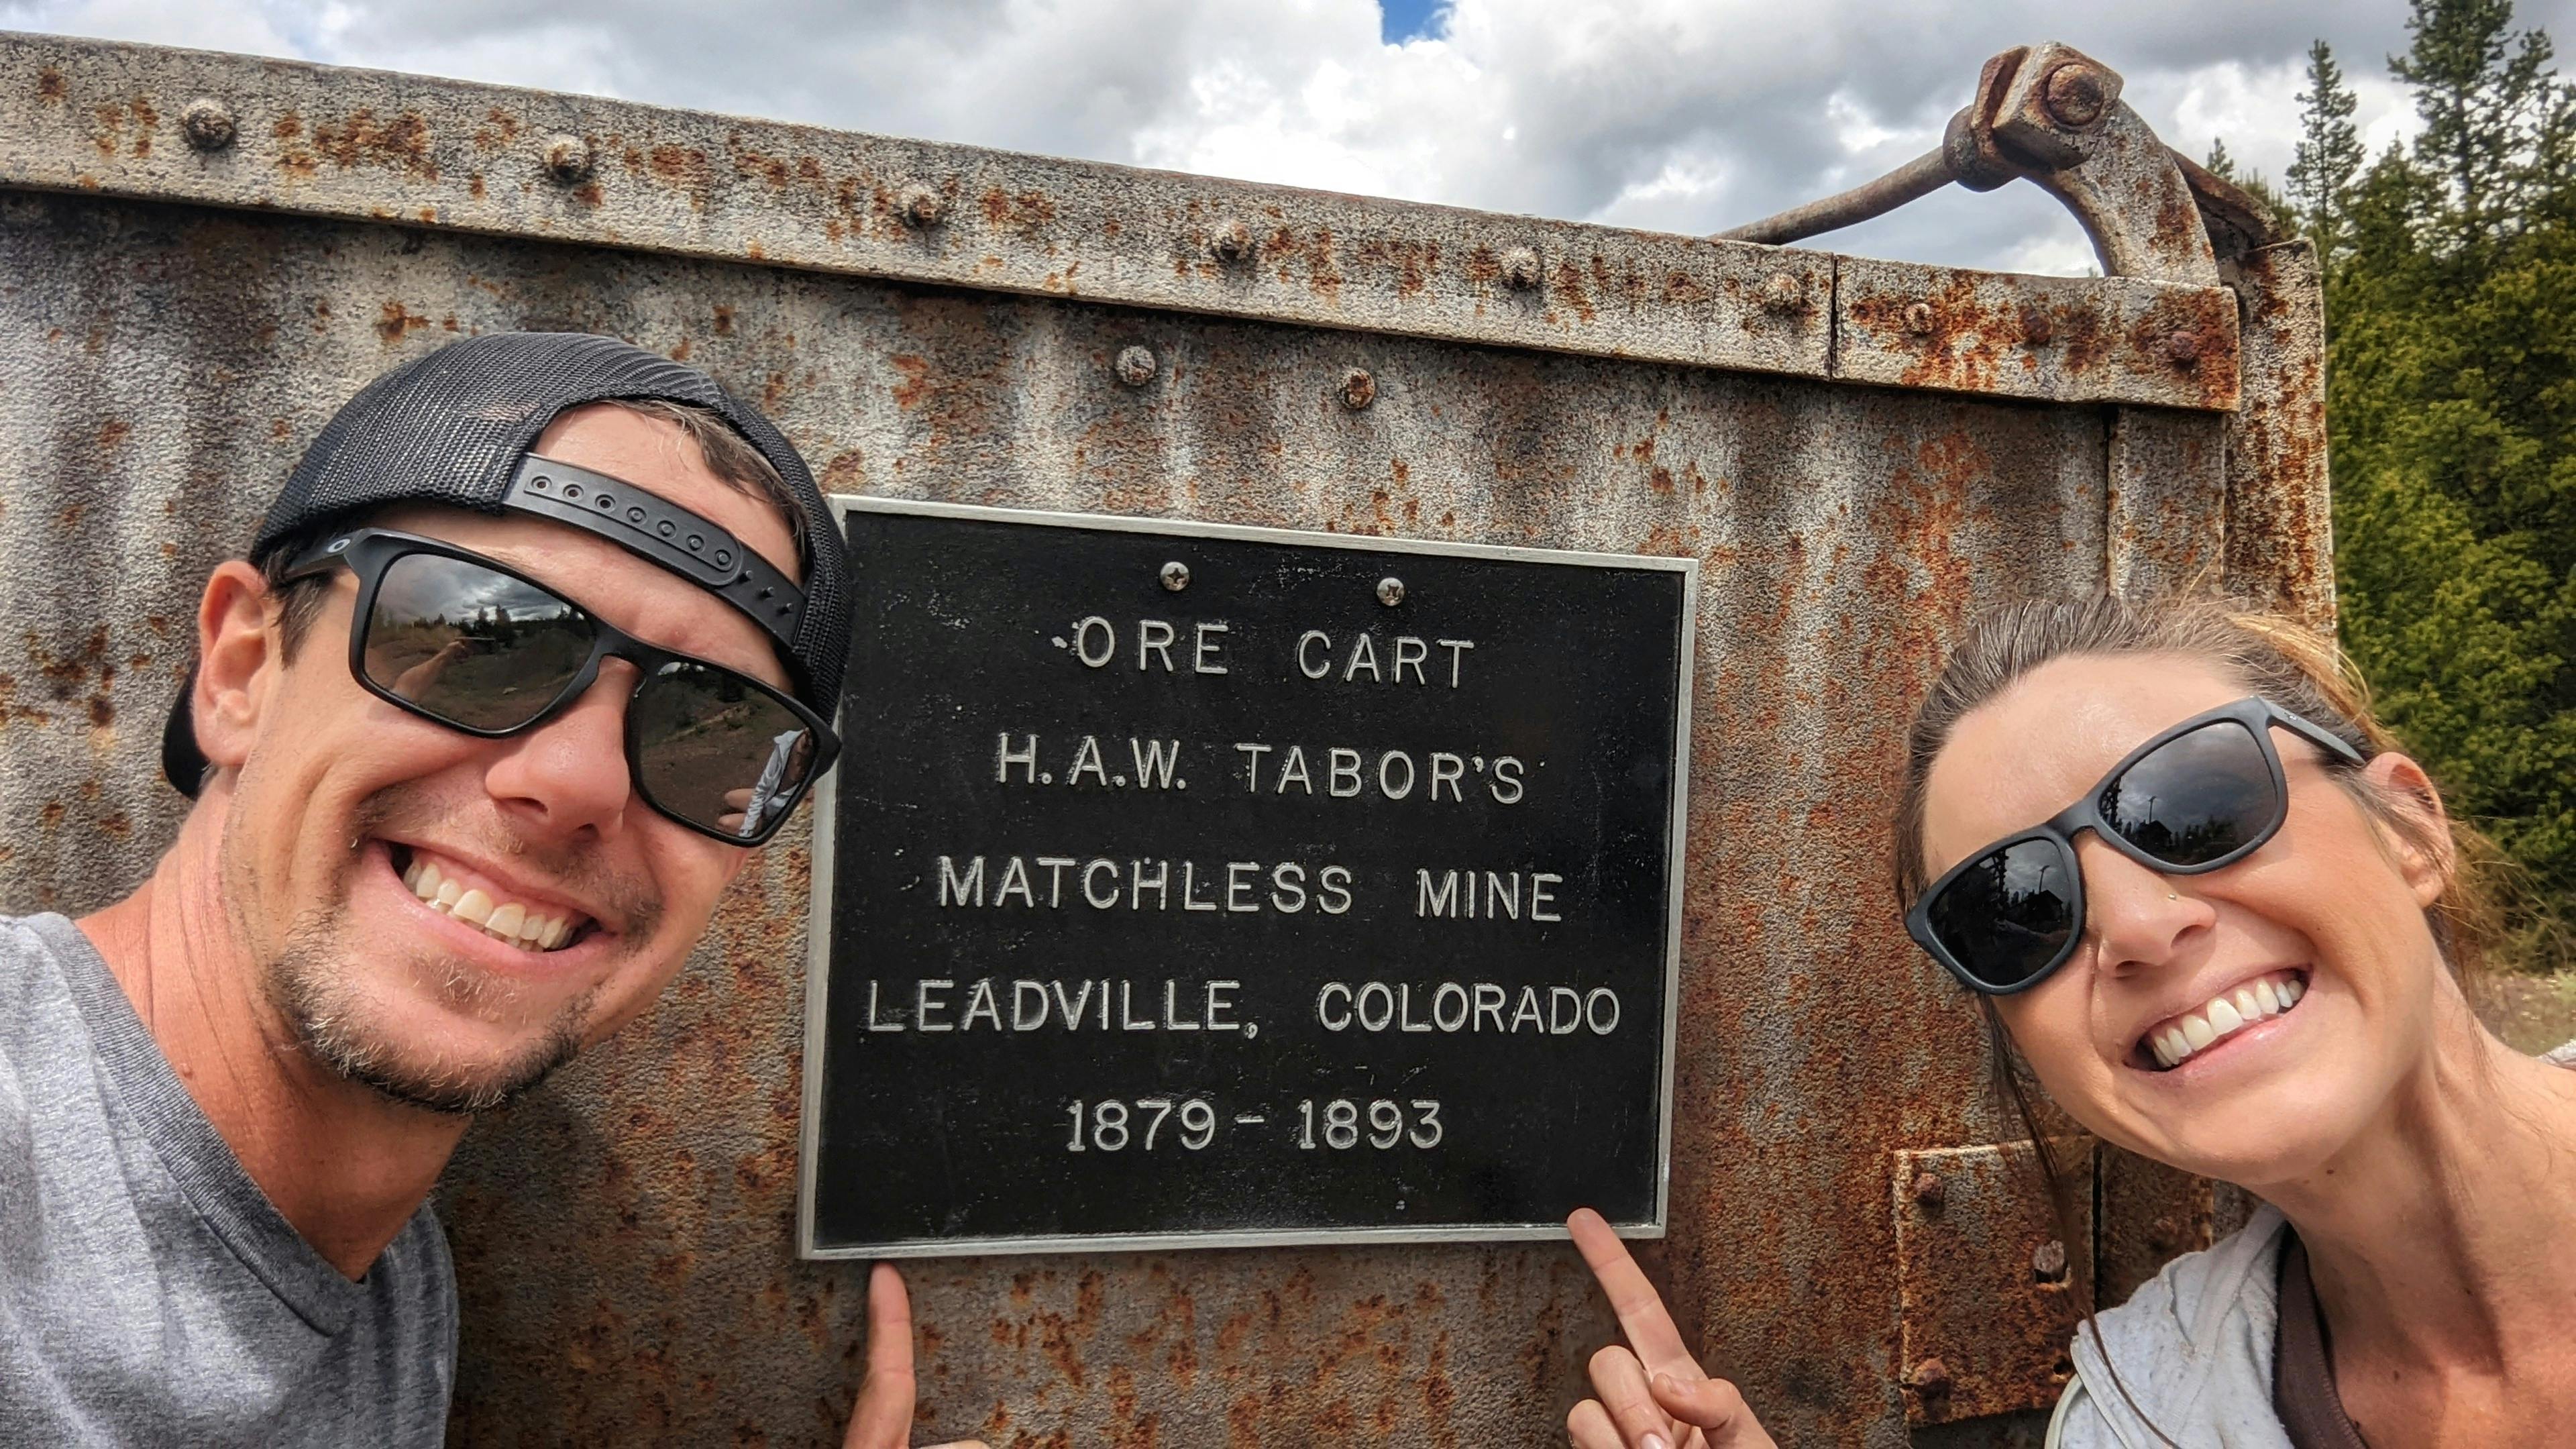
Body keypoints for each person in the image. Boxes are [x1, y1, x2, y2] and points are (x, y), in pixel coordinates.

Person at [0, 331, 979, 1449]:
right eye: (479, 634)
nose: (577, 781)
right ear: (241, 671)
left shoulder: (392, 1290)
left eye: (715, 730)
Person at [1563, 593, 2576, 1448]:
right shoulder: (2136, 1424)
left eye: (2197, 807)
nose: (2138, 927)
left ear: (2410, 830)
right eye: (2017, 909)